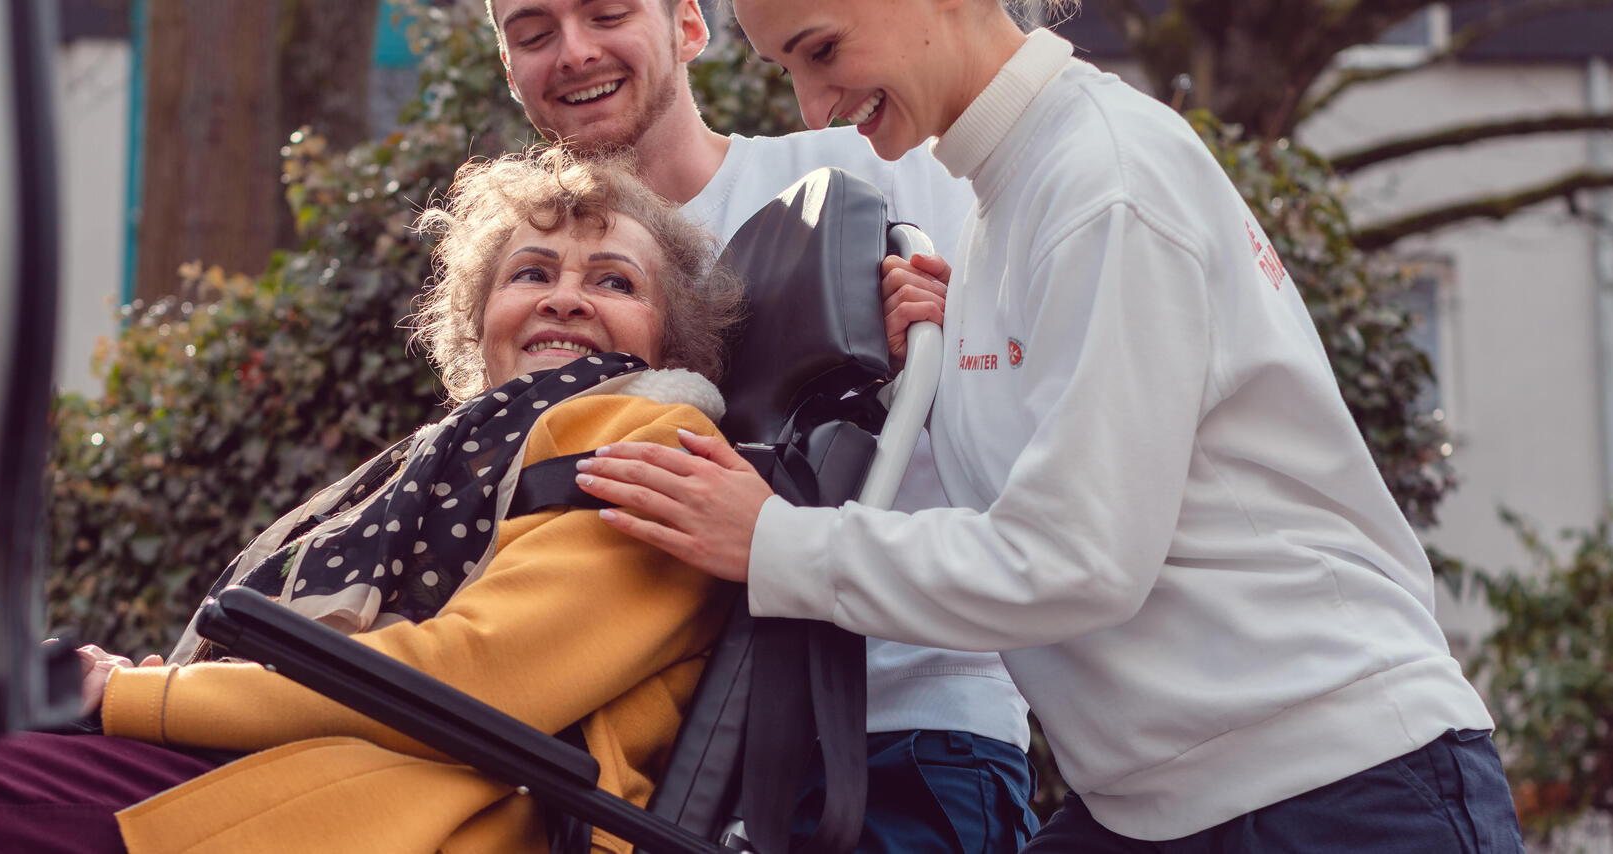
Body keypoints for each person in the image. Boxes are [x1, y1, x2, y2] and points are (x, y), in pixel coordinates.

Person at [0, 146, 745, 854]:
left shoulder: (648, 434)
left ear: (670, 329)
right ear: (474, 322)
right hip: (268, 771)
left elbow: (482, 682)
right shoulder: (443, 449)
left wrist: (128, 695)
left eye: (612, 279)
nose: (563, 296)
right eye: (529, 271)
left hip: (369, 815)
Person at [571, 1, 1527, 852]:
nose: (815, 105)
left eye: (822, 50)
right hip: (1169, 800)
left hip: (1335, 786)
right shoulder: (1006, 203)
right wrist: (950, 348)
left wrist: (775, 543)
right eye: (790, 70)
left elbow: (1078, 556)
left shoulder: (1101, 180)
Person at [487, 1, 1042, 850]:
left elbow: (1046, 392)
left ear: (690, 28)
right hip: (657, 770)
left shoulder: (867, 167)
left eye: (606, 13)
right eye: (532, 33)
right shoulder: (535, 287)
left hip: (898, 730)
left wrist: (957, 330)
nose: (573, 52)